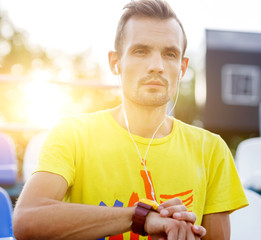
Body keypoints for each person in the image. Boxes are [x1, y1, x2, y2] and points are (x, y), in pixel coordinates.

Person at [13, 0, 248, 239]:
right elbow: (27, 220)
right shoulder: (73, 133)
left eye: (170, 54)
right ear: (115, 62)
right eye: (141, 51)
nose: (156, 66)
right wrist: (141, 217)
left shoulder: (212, 149)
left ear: (182, 67)